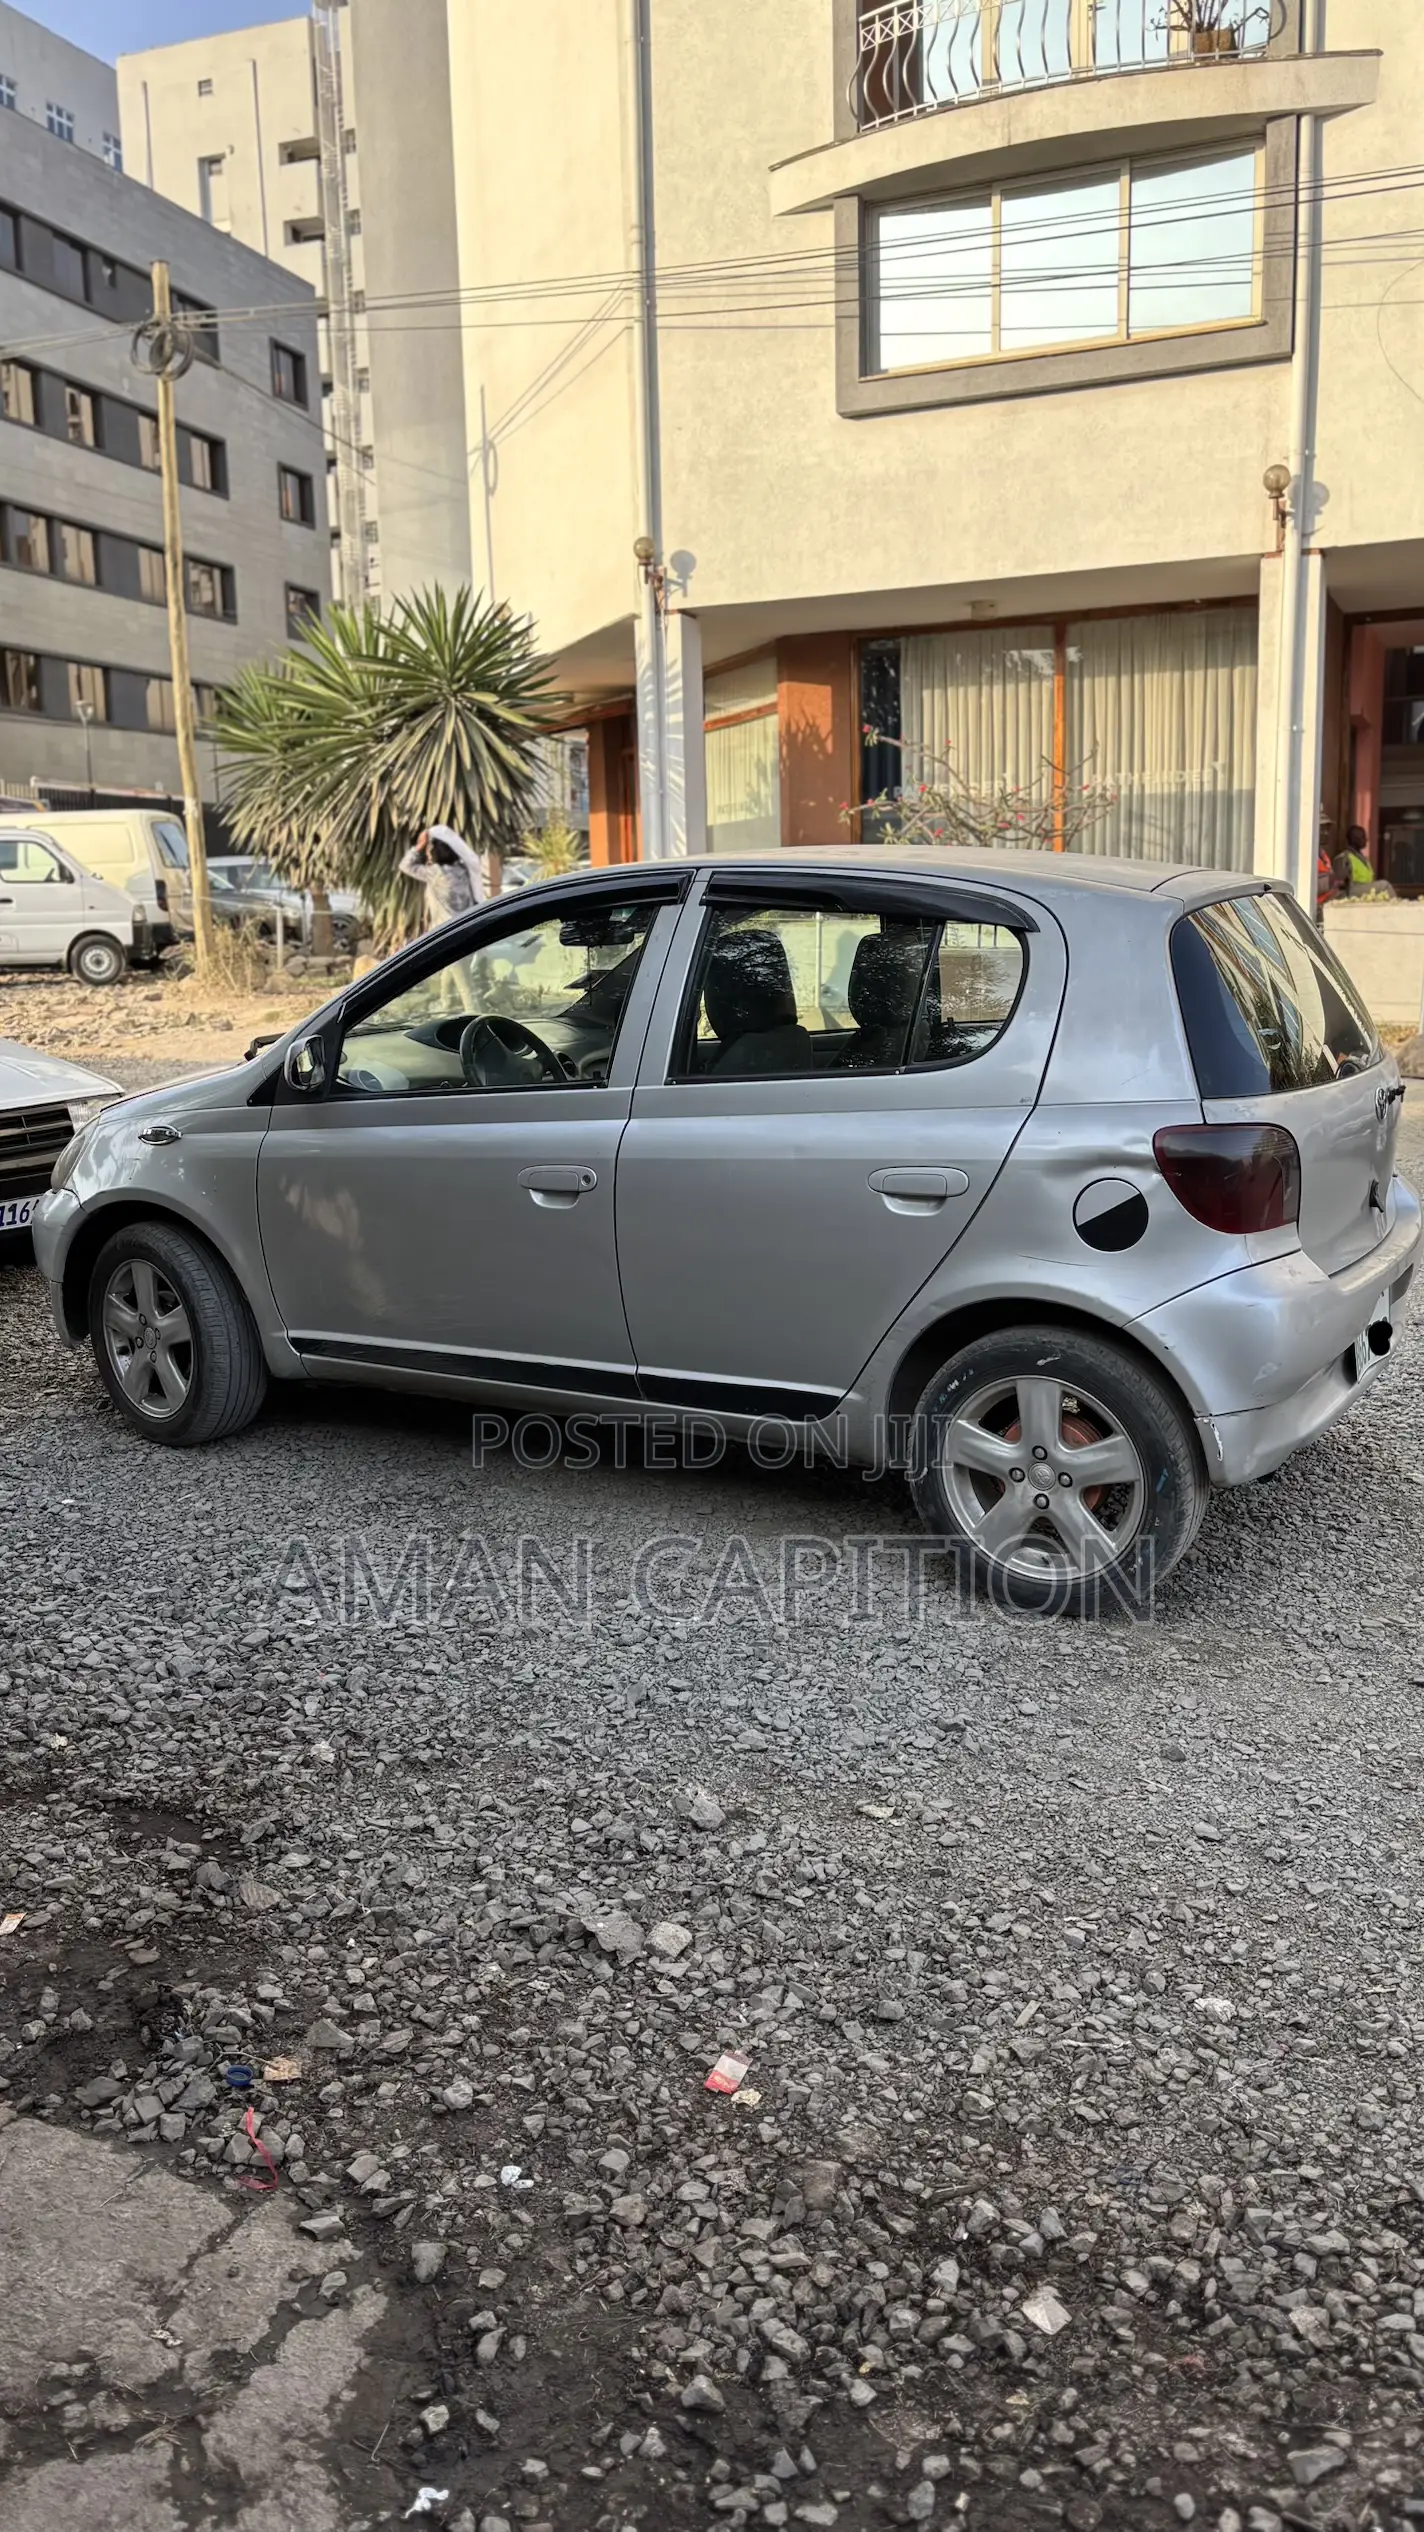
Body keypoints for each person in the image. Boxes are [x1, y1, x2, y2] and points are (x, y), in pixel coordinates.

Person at [399, 824, 486, 931]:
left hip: (445, 932)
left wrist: (420, 845)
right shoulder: (463, 870)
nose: (428, 854)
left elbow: (405, 865)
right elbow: (472, 859)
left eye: (429, 850)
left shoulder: (436, 872)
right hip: (468, 926)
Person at [1333, 825, 1377, 897]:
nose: (1366, 839)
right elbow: (1340, 886)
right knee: (1384, 885)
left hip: (1368, 897)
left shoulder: (1365, 860)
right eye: (1363, 837)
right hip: (1353, 897)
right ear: (1354, 839)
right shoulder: (1344, 858)